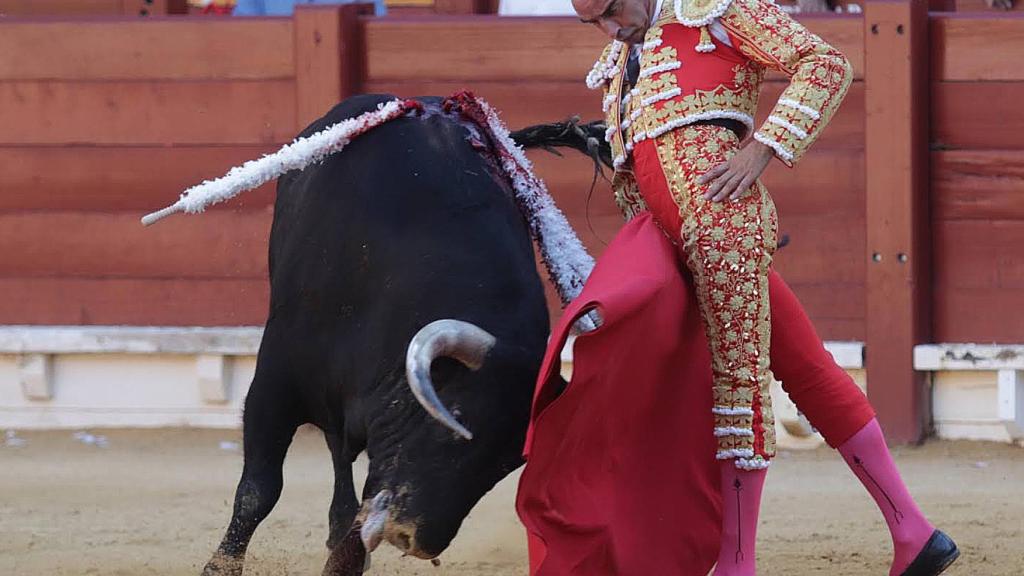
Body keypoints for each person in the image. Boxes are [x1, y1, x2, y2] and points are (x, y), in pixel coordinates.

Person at [571, 0, 959, 573]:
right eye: (593, 23)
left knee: (737, 387)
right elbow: (637, 181)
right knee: (808, 369)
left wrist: (764, 147)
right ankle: (915, 534)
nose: (609, 28)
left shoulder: (714, 11)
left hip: (725, 232)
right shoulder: (622, 62)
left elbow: (823, 64)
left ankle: (736, 563)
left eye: (611, 10)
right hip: (678, 252)